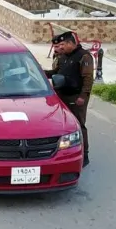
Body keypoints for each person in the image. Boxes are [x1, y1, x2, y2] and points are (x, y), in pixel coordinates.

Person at [44, 26, 94, 167]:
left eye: (63, 45)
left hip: (76, 97)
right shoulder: (63, 56)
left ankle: (84, 154)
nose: (61, 47)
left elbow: (88, 78)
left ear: (71, 43)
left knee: (79, 125)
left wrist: (83, 96)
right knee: (61, 126)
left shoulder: (84, 56)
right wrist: (41, 73)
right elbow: (56, 72)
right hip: (61, 95)